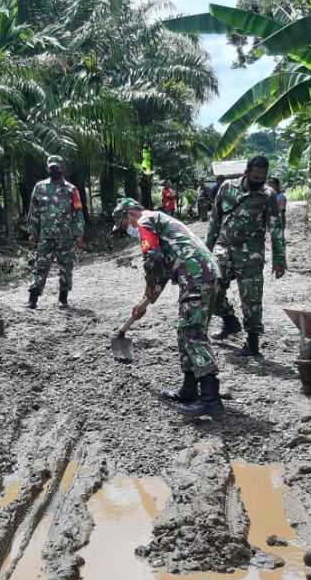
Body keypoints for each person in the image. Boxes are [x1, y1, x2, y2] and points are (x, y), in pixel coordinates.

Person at [114, 198, 224, 416]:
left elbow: (152, 259)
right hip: (205, 273)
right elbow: (163, 270)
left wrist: (149, 290)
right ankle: (189, 389)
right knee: (185, 332)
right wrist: (145, 301)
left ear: (131, 215)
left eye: (126, 226)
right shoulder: (160, 221)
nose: (130, 231)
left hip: (195, 274)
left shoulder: (145, 220)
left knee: (193, 333)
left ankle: (211, 398)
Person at [206, 155, 286, 357]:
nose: (259, 180)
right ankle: (229, 320)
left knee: (251, 298)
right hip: (223, 248)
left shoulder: (268, 196)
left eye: (263, 177)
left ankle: (252, 342)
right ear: (246, 172)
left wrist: (279, 259)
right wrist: (206, 249)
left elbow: (276, 229)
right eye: (255, 176)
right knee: (210, 287)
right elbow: (214, 220)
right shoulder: (226, 188)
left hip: (251, 253)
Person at [27, 154, 85, 309]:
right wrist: (32, 231)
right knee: (40, 267)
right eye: (51, 168)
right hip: (46, 236)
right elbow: (34, 211)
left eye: (57, 168)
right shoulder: (40, 187)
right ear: (48, 168)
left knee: (66, 268)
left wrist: (78, 234)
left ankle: (63, 299)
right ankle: (33, 299)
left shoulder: (71, 189)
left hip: (66, 236)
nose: (54, 170)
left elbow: (78, 212)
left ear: (62, 168)